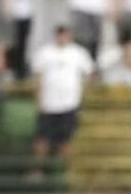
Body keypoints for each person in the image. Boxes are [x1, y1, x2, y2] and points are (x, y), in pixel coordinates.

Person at [31, 26, 94, 164]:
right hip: (48, 105)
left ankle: (63, 175)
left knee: (65, 141)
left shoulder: (78, 53)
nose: (62, 37)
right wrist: (39, 99)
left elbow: (90, 73)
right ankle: (37, 171)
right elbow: (37, 77)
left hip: (69, 104)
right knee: (42, 140)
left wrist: (82, 93)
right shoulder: (45, 53)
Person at [69, 0, 107, 71]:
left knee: (95, 44)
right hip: (79, 6)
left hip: (98, 7)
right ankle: (79, 69)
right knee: (79, 42)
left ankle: (92, 73)